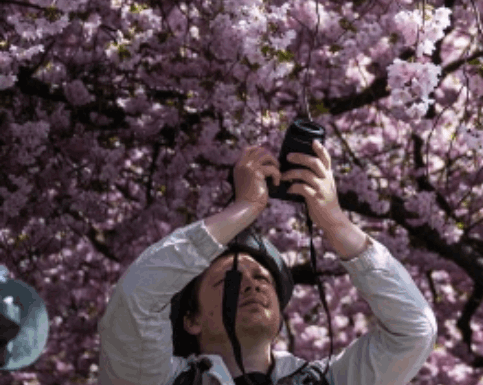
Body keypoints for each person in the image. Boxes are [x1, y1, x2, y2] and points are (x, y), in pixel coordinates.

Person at [98, 141, 437, 385]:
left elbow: (413, 332)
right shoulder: (156, 378)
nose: (254, 283)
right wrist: (244, 208)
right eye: (227, 280)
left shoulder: (327, 381)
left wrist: (335, 222)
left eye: (263, 278)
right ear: (191, 320)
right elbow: (137, 299)